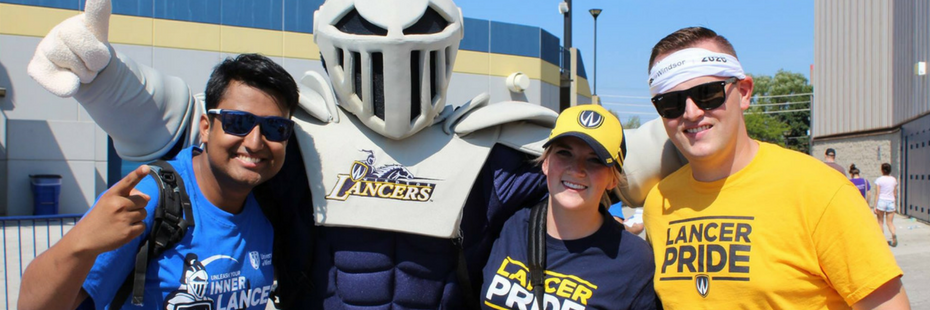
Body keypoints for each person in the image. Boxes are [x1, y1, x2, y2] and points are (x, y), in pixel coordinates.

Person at [26, 0, 682, 307]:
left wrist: (683, 132)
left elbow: (591, 171)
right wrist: (105, 78)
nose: (394, 40)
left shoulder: (491, 150)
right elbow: (188, 133)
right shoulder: (296, 136)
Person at [641, 27, 909, 309]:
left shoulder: (819, 190)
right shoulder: (659, 203)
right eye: (670, 103)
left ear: (744, 93)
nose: (691, 112)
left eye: (707, 94)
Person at [18, 53, 299, 310]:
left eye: (276, 128)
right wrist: (79, 243)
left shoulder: (271, 205)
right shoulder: (151, 197)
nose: (254, 142)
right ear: (205, 127)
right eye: (238, 122)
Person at [481, 104, 655, 309]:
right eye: (565, 153)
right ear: (546, 163)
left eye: (595, 160)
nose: (577, 169)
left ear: (613, 180)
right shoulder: (513, 226)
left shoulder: (633, 261)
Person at [874, 163, 899, 247]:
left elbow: (877, 194)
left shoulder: (879, 180)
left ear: (882, 170)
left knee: (880, 222)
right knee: (890, 222)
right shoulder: (893, 180)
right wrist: (894, 202)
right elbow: (895, 193)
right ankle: (893, 233)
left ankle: (881, 240)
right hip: (891, 201)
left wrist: (875, 206)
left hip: (881, 201)